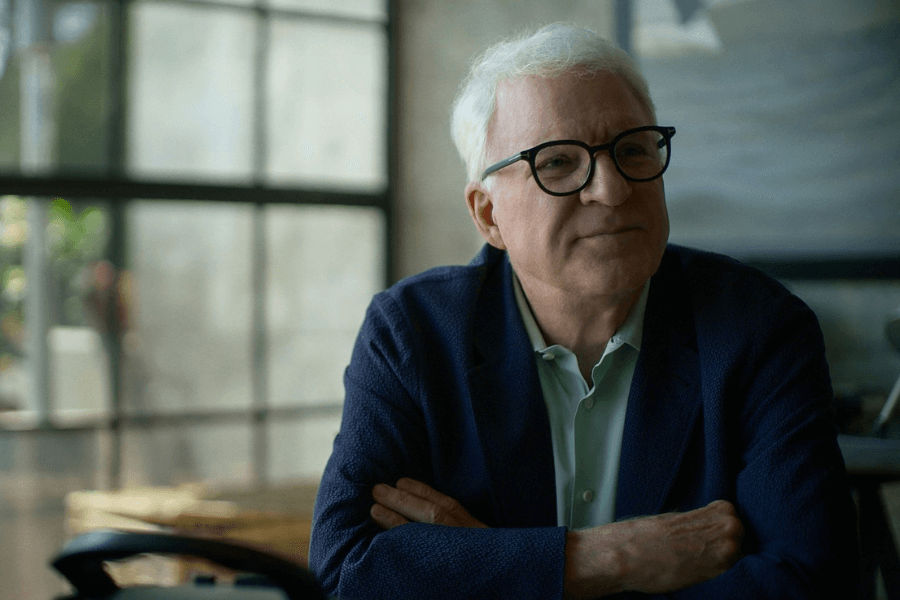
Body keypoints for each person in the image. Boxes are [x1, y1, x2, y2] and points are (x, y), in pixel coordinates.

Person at [308, 23, 859, 599]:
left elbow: (810, 583)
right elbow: (348, 571)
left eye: (632, 150)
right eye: (558, 163)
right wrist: (604, 558)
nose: (612, 189)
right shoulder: (412, 333)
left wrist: (498, 570)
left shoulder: (760, 330)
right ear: (488, 215)